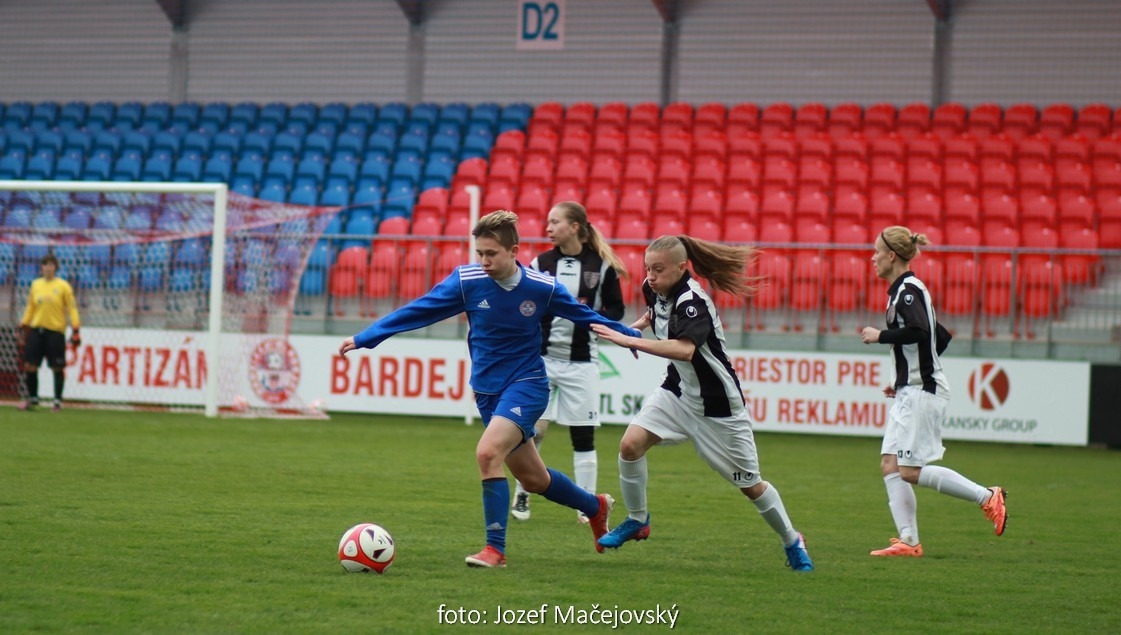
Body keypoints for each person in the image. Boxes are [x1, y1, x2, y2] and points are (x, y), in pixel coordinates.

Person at [338, 210, 641, 569]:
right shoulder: (466, 281)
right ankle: (595, 506)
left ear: (513, 251)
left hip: (527, 384)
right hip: (487, 391)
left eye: (491, 254)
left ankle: (495, 550)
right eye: (479, 253)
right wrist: (367, 337)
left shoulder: (542, 287)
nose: (484, 261)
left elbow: (585, 316)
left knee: (487, 454)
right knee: (534, 478)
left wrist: (630, 335)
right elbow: (420, 310)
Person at [590, 235, 814, 572]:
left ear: (681, 268)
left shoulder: (693, 301)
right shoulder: (654, 288)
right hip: (678, 391)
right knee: (630, 445)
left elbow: (685, 349)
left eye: (658, 269)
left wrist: (627, 340)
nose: (650, 276)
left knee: (751, 486)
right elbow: (655, 313)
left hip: (718, 405)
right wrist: (636, 329)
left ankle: (792, 540)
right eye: (648, 268)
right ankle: (638, 519)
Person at [859, 226, 1008, 557]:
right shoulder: (904, 291)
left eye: (877, 252)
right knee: (890, 464)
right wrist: (903, 376)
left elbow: (920, 330)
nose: (873, 258)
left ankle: (988, 496)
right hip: (911, 389)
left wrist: (880, 336)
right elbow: (939, 336)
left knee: (910, 471)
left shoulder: (908, 292)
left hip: (923, 392)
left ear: (892, 256)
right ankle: (909, 541)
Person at [511, 202, 628, 524]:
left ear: (574, 227)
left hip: (582, 362)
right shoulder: (541, 263)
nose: (548, 228)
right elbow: (525, 301)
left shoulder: (602, 265)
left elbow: (617, 310)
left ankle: (588, 505)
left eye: (555, 222)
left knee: (583, 436)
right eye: (548, 222)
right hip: (541, 360)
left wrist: (590, 318)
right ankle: (523, 492)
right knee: (532, 431)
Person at [18, 253, 81, 412]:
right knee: (30, 366)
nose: (48, 268)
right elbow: (31, 307)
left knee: (57, 367)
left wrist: (75, 329)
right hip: (36, 330)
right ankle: (33, 398)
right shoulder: (35, 285)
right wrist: (23, 323)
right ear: (41, 267)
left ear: (55, 268)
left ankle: (57, 402)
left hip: (55, 331)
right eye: (45, 265)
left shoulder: (63, 286)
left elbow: (72, 308)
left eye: (51, 265)